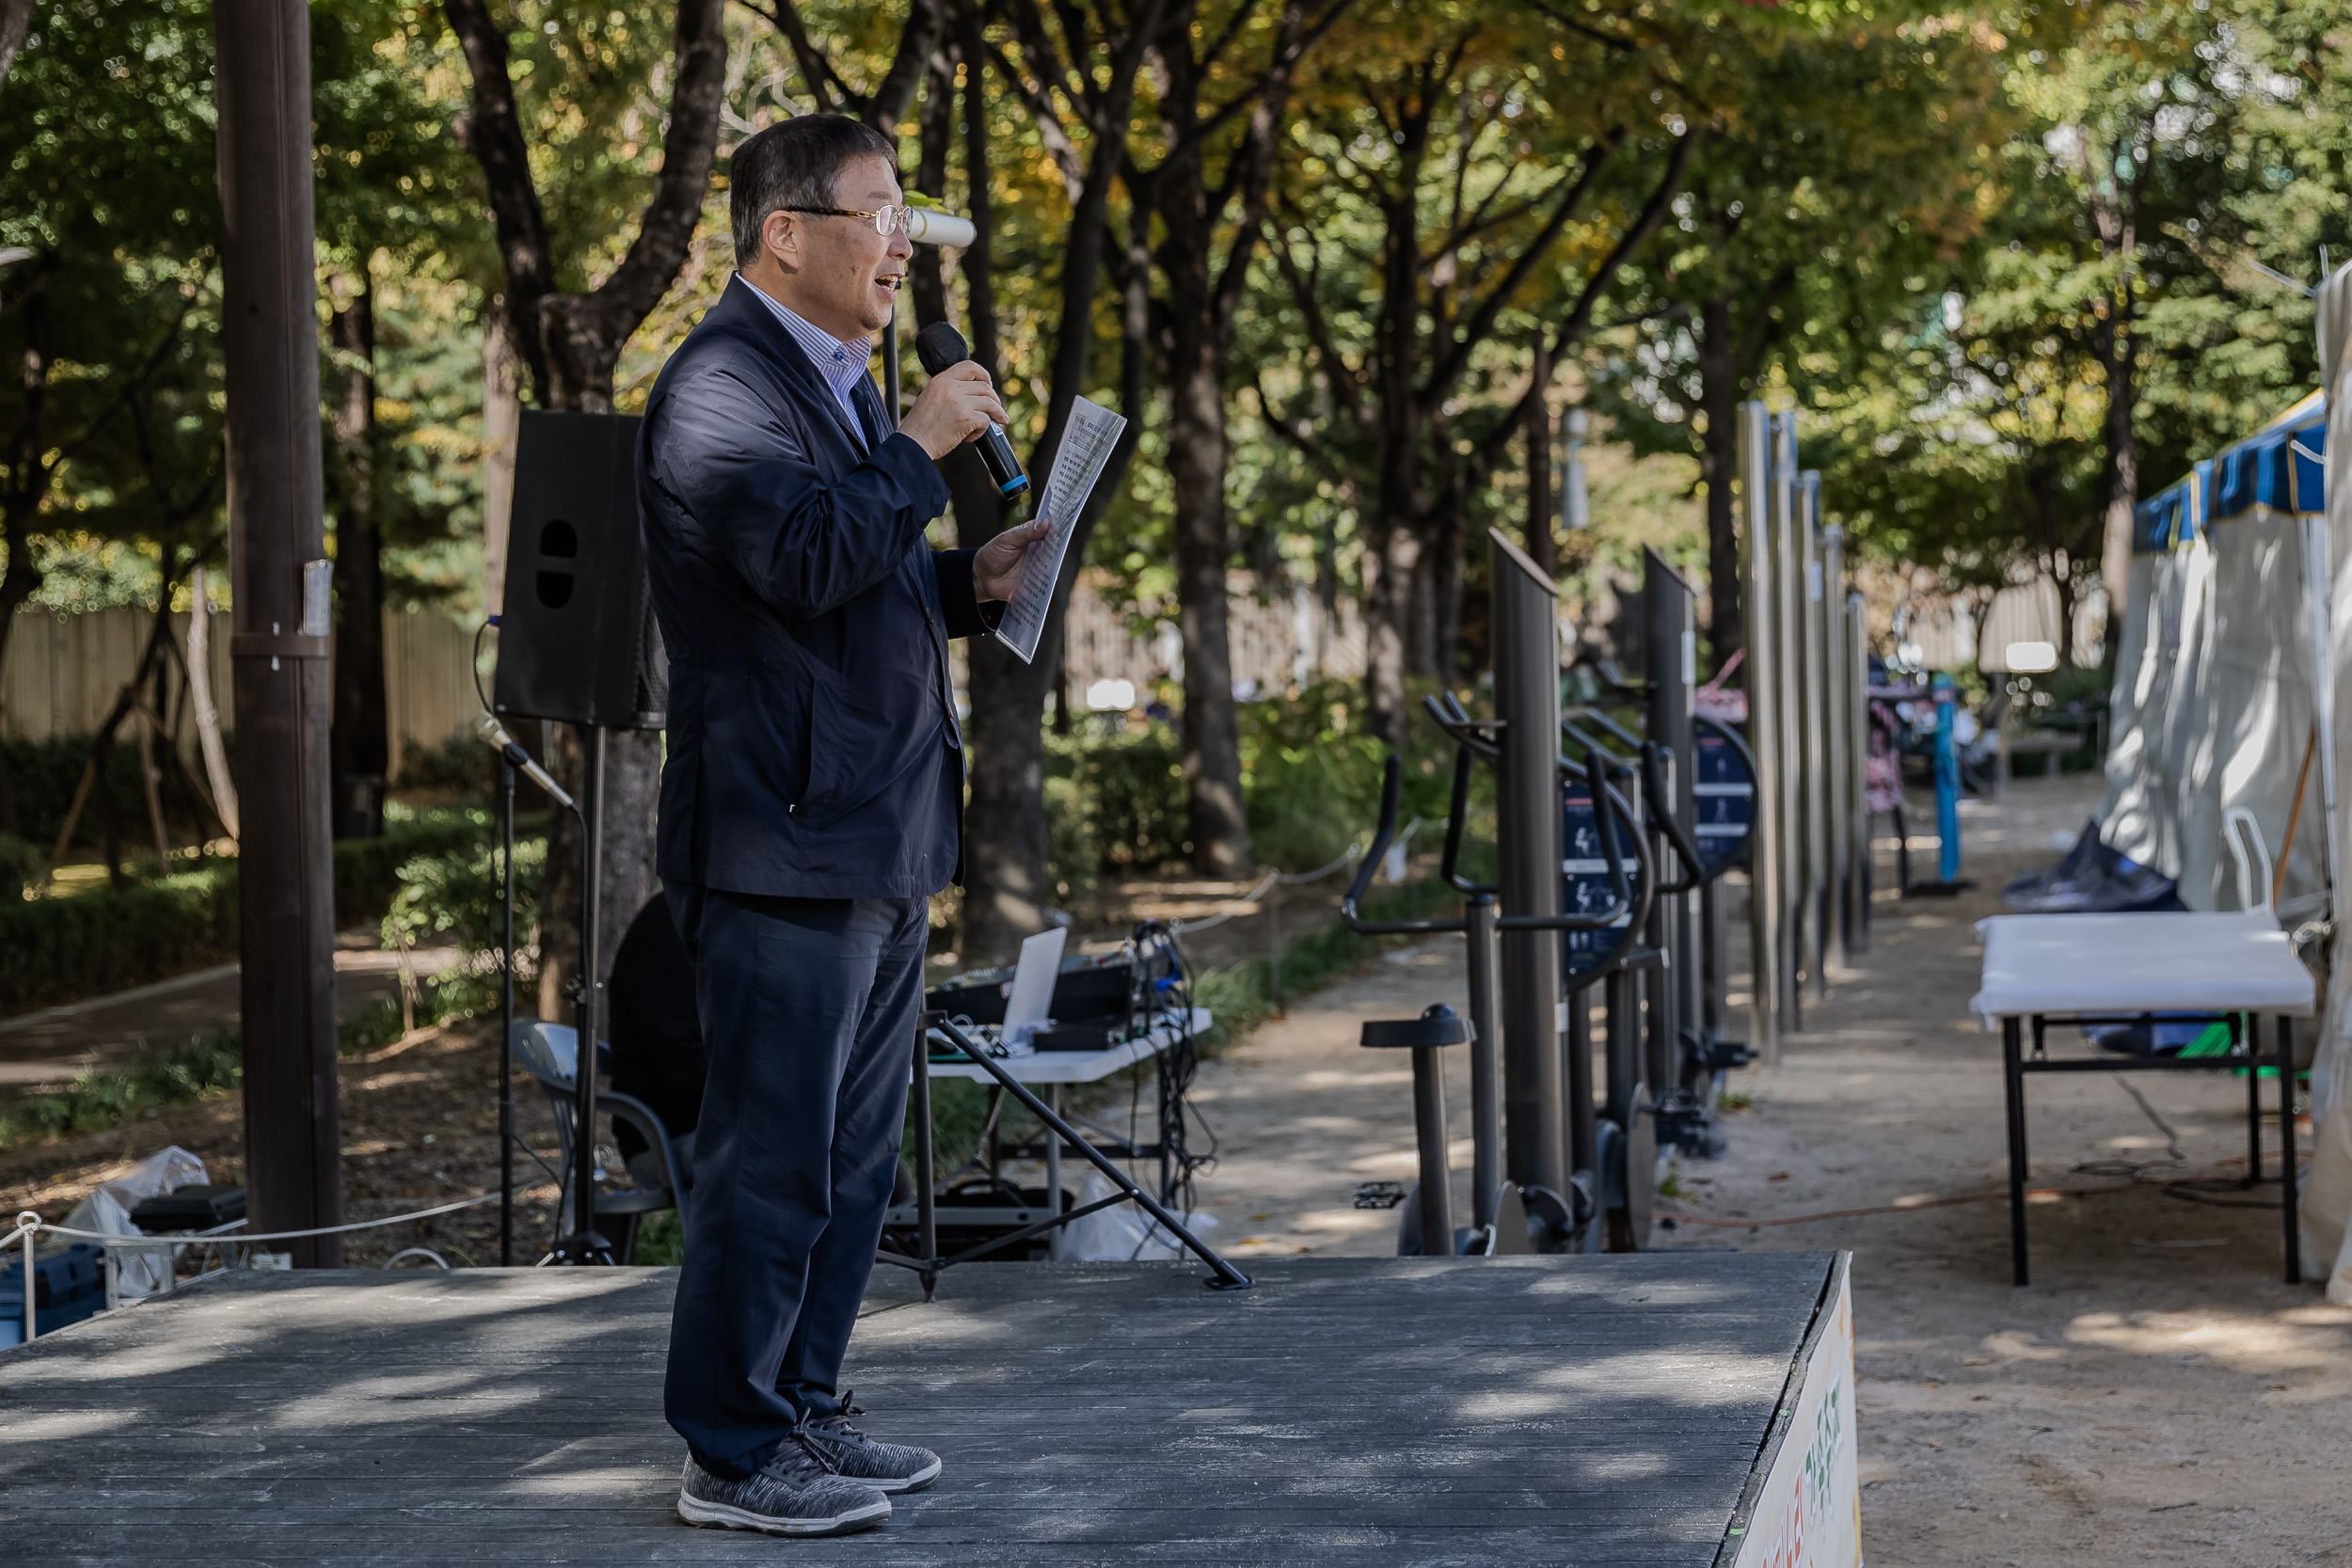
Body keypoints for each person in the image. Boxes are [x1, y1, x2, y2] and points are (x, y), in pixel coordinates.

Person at [637, 112, 1049, 1539]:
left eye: (906, 215)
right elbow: (801, 555)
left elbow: (856, 580)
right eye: (881, 215)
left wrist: (964, 586)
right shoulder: (719, 388)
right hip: (779, 841)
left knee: (857, 1158)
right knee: (771, 1152)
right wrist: (928, 444)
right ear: (787, 233)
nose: (902, 245)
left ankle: (804, 1402)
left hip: (874, 834)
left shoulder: (843, 384)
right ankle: (733, 1449)